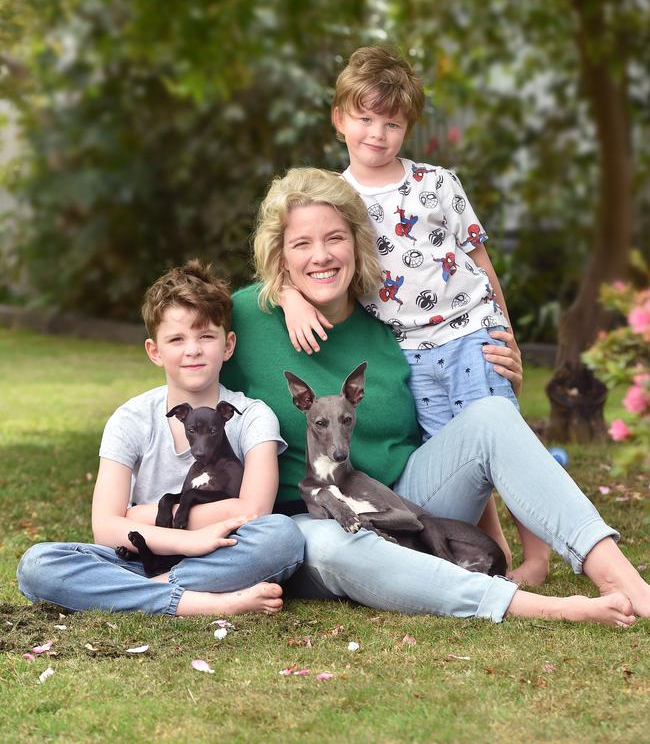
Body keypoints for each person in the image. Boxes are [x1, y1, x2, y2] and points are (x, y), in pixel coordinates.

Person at [221, 166, 650, 625]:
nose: (321, 256)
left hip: (406, 505)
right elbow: (184, 371)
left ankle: (621, 579)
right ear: (279, 254)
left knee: (489, 414)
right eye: (301, 244)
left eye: (335, 238)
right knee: (331, 544)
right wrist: (283, 293)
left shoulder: (390, 326)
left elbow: (451, 424)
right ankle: (549, 609)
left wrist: (504, 369)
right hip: (312, 517)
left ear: (357, 243)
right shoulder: (246, 316)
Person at [280, 45, 549, 585]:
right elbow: (297, 253)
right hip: (409, 349)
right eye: (365, 118)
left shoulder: (438, 183)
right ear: (339, 120)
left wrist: (507, 335)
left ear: (408, 127)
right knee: (454, 446)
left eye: (392, 123)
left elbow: (479, 259)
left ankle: (537, 557)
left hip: (472, 331)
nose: (377, 133)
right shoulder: (336, 199)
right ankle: (491, 546)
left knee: (505, 437)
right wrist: (289, 296)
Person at [16, 261, 304, 616]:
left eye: (206, 336)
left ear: (228, 345)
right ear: (155, 351)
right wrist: (188, 538)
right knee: (38, 563)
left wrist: (139, 515)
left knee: (283, 536)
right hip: (141, 557)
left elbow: (253, 512)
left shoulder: (252, 416)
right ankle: (200, 603)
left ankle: (143, 594)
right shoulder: (130, 419)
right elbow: (105, 528)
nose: (193, 350)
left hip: (222, 554)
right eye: (177, 339)